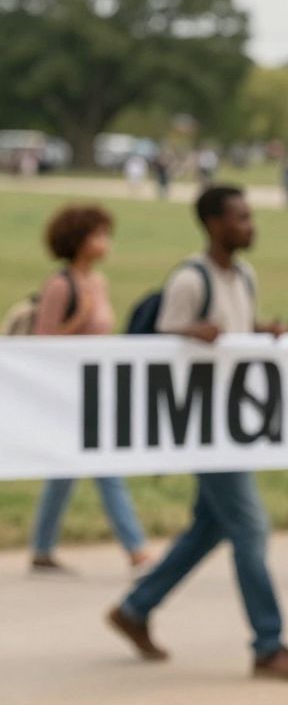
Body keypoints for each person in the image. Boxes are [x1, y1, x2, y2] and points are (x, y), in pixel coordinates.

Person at [108, 185, 288, 681]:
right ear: (212, 224)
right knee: (250, 528)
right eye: (240, 218)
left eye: (250, 217)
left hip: (233, 421)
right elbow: (156, 347)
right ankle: (268, 645)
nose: (250, 226)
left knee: (210, 527)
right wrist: (186, 333)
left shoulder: (243, 275)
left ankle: (136, 608)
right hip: (200, 424)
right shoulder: (189, 279)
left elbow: (234, 335)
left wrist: (261, 332)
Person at [29, 206, 151, 576]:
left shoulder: (99, 283)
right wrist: (78, 319)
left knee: (64, 472)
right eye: (98, 235)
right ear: (80, 241)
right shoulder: (60, 285)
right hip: (66, 393)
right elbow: (42, 342)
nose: (105, 243)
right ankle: (136, 549)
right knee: (105, 466)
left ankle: (42, 546)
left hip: (95, 388)